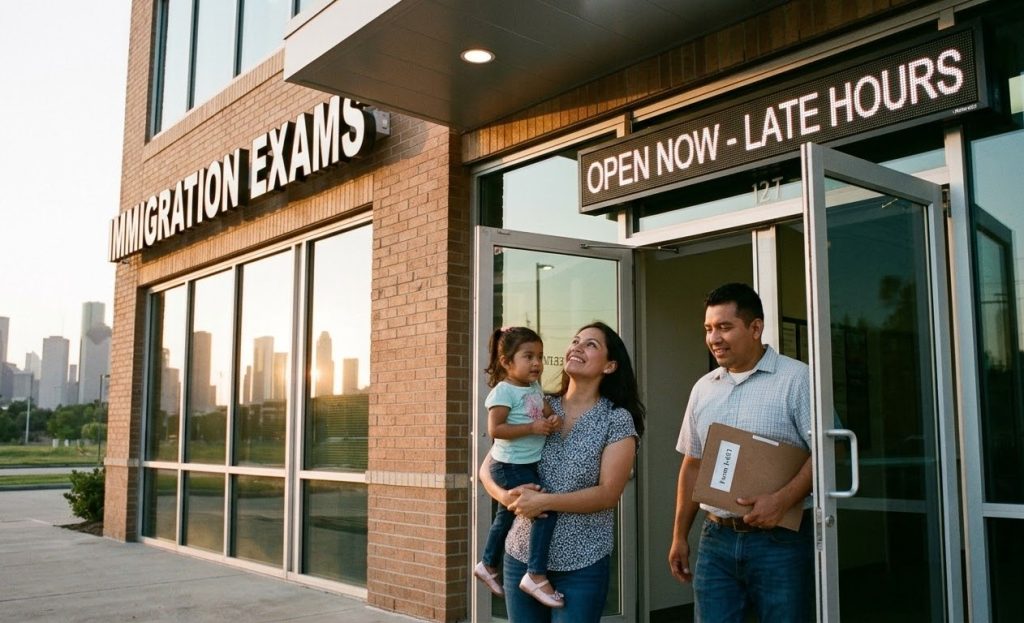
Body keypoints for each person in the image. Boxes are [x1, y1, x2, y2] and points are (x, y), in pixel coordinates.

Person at [479, 321, 645, 623]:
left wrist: (543, 503)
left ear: (609, 366)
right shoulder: (537, 404)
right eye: (575, 340)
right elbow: (487, 469)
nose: (577, 347)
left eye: (590, 344)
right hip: (521, 556)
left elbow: (607, 494)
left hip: (582, 563)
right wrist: (508, 497)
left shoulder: (616, 420)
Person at [669, 282, 814, 622]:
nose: (714, 338)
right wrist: (679, 535)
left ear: (755, 328)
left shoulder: (797, 379)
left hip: (780, 542)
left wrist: (781, 500)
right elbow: (692, 465)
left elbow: (827, 452)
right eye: (708, 328)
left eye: (724, 327)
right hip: (715, 538)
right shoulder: (704, 388)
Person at [473, 326, 563, 606]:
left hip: (523, 463)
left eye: (540, 356)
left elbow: (543, 409)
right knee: (545, 509)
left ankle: (487, 564)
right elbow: (496, 429)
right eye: (528, 356)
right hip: (509, 464)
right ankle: (535, 574)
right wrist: (533, 428)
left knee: (505, 517)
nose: (537, 363)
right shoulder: (503, 391)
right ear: (506, 362)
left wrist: (551, 419)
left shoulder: (533, 386)